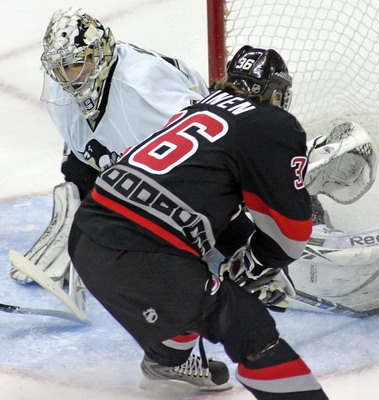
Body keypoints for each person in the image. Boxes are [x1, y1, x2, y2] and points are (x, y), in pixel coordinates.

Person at [68, 45, 329, 399]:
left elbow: (200, 199)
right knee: (249, 327)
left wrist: (242, 256)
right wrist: (254, 264)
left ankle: (169, 360)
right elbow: (291, 235)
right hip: (137, 252)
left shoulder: (196, 108)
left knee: (190, 294)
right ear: (277, 93)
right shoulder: (271, 122)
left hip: (88, 234)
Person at [8, 7, 231, 391]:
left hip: (195, 167)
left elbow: (212, 149)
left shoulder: (143, 88)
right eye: (58, 69)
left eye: (76, 65)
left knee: (183, 257)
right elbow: (82, 153)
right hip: (143, 165)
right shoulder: (70, 91)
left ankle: (177, 350)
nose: (66, 79)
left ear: (100, 56)